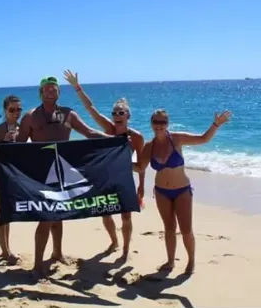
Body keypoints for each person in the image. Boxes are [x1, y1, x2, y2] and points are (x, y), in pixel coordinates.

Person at [16, 75, 110, 278]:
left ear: (59, 92)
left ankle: (57, 253)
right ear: (41, 93)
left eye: (54, 89)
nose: (51, 91)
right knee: (46, 217)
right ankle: (37, 266)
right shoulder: (31, 117)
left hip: (63, 171)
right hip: (42, 174)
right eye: (47, 89)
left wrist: (113, 140)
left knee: (58, 215)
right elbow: (20, 146)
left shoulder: (68, 114)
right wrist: (1, 146)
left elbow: (89, 133)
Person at [135, 108, 231, 274]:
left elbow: (203, 139)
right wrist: (116, 161)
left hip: (182, 191)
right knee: (169, 228)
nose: (159, 125)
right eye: (156, 122)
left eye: (162, 122)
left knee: (186, 230)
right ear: (151, 123)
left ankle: (191, 261)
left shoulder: (177, 139)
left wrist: (216, 124)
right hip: (161, 192)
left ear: (167, 124)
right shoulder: (149, 147)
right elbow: (139, 167)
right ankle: (171, 261)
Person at [64, 69, 144, 260]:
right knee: (105, 213)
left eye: (121, 113)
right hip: (105, 179)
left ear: (128, 116)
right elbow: (91, 109)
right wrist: (77, 87)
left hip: (124, 180)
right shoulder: (108, 128)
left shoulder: (137, 137)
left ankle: (125, 249)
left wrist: (141, 186)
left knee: (126, 217)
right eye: (115, 112)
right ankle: (114, 241)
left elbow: (141, 165)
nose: (117, 115)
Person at [0, 95, 23, 264]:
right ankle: (6, 252)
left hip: (11, 179)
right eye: (12, 110)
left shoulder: (22, 129)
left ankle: (6, 250)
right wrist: (3, 143)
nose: (16, 113)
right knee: (1, 216)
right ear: (5, 111)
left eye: (18, 109)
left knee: (8, 215)